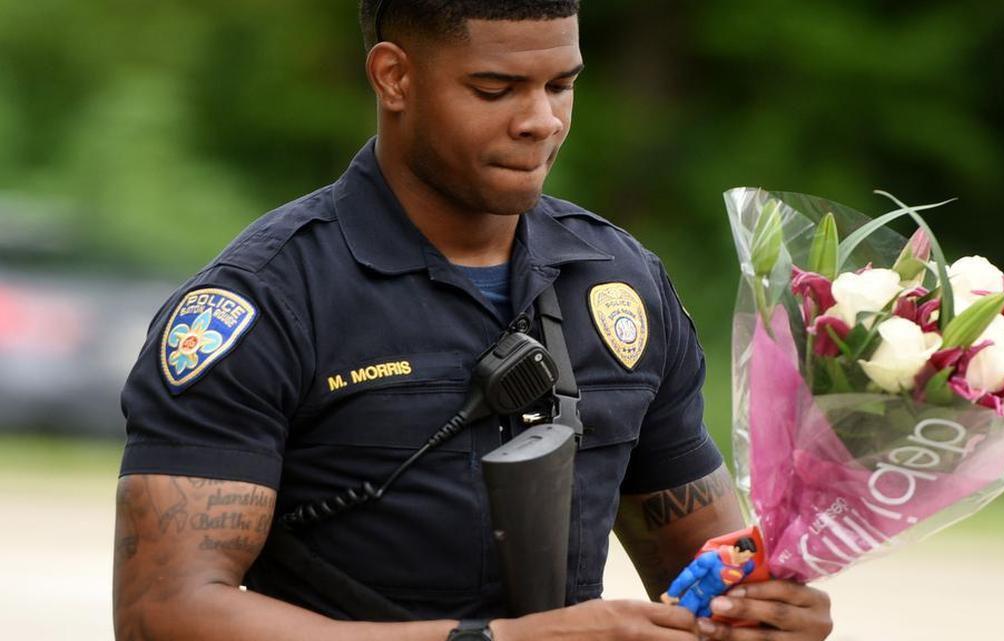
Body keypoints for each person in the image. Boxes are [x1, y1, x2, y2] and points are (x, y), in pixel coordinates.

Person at [112, 2, 834, 640]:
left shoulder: (624, 284)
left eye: (562, 85)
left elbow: (709, 567)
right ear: (393, 77)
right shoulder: (264, 302)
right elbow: (164, 613)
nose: (541, 121)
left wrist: (765, 610)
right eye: (496, 89)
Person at [661, 538, 757, 618]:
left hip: (712, 601)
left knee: (702, 626)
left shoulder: (748, 566)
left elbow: (742, 580)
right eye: (745, 556)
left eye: (750, 557)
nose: (747, 560)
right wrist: (671, 593)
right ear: (736, 549)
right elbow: (689, 575)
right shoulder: (711, 559)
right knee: (682, 619)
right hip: (696, 595)